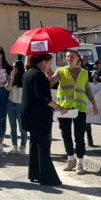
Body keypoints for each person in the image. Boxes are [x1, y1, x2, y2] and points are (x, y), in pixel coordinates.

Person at [22, 53, 68, 186]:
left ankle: (35, 173)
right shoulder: (38, 76)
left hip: (30, 115)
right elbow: (45, 98)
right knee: (43, 146)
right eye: (49, 63)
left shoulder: (29, 73)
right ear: (43, 63)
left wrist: (47, 80)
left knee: (35, 144)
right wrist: (59, 107)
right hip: (39, 116)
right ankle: (47, 177)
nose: (50, 66)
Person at [51, 49, 98, 175]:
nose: (69, 58)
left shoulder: (84, 72)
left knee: (79, 137)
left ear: (78, 59)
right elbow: (52, 80)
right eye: (67, 57)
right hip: (64, 108)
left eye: (72, 56)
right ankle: (70, 159)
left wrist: (94, 104)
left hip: (80, 108)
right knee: (66, 135)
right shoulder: (60, 71)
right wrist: (49, 77)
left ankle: (80, 163)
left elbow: (87, 89)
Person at [6, 60, 27, 155]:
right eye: (13, 66)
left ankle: (23, 147)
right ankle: (14, 146)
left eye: (15, 66)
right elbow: (8, 88)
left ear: (20, 67)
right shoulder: (12, 77)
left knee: (22, 128)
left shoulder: (25, 77)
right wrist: (12, 77)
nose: (13, 68)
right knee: (12, 127)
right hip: (11, 104)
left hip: (21, 105)